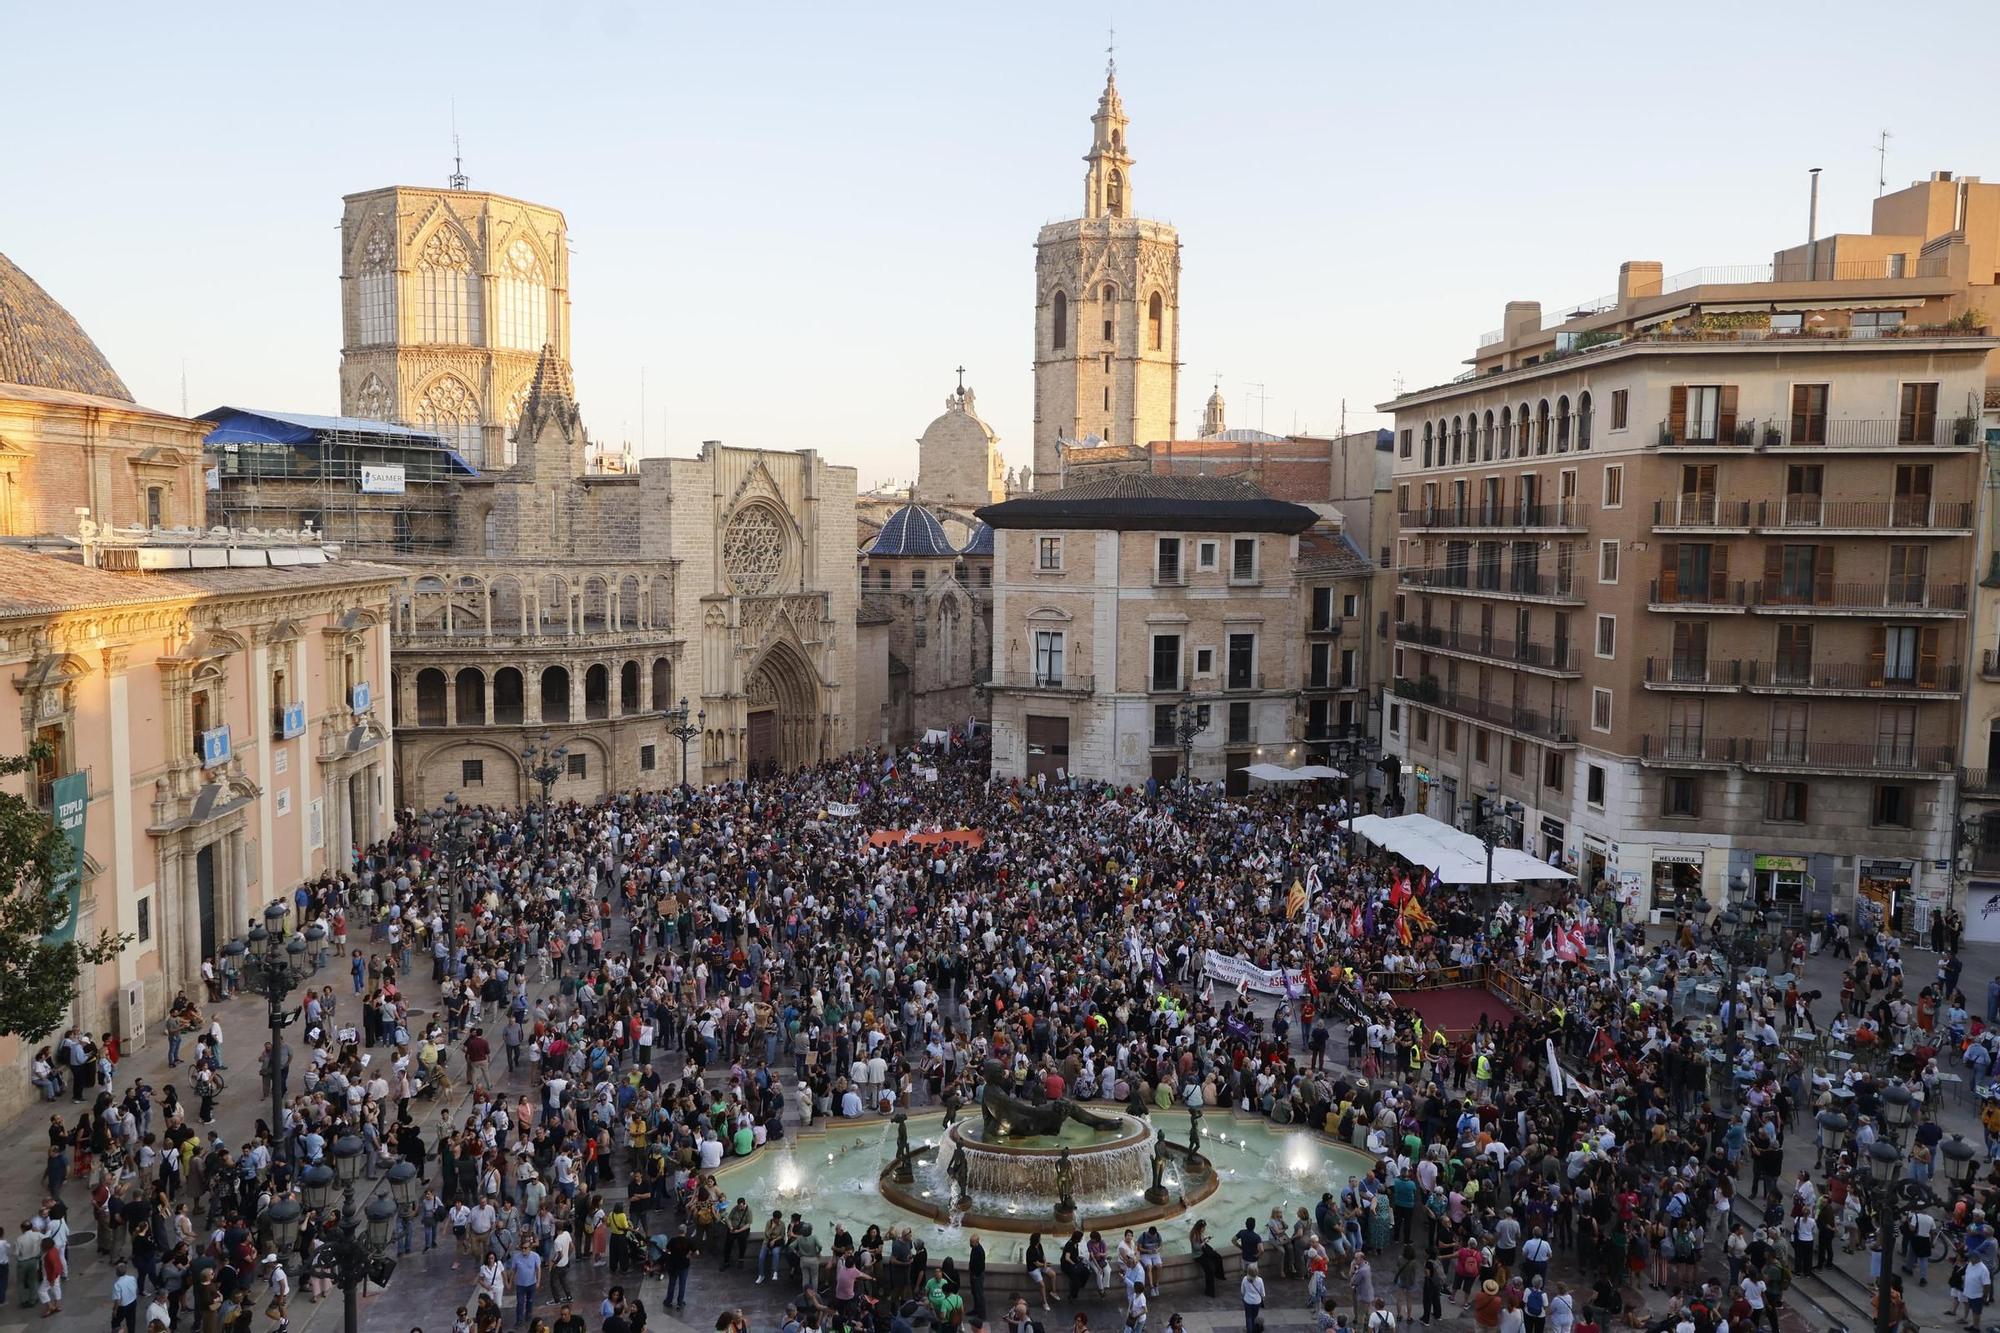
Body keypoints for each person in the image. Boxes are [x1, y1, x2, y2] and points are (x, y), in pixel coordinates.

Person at [1241, 1262, 1267, 1333]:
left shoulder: (1245, 1279)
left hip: (1247, 1301)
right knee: (1254, 1317)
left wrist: (1244, 1296)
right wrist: (1263, 1297)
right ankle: (1253, 1329)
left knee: (1248, 1317)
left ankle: (1249, 1330)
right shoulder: (1260, 1280)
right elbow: (1263, 1293)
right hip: (1257, 1302)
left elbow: (1242, 1291)